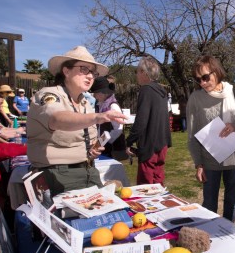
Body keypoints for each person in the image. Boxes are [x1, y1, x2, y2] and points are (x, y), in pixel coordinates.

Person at [27, 46, 126, 197]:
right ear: (66, 71)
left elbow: (83, 138)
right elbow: (57, 119)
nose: (90, 76)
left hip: (89, 172)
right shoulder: (49, 94)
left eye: (93, 72)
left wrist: (91, 150)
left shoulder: (85, 103)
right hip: (56, 175)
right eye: (84, 69)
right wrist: (98, 117)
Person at [187, 56, 235, 222]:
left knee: (232, 202)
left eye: (205, 77)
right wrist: (199, 164)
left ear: (216, 72)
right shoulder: (195, 98)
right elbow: (192, 134)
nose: (202, 83)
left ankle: (227, 234)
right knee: (209, 205)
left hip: (234, 159)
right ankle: (208, 236)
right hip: (209, 161)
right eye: (198, 79)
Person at [125, 56, 172, 185]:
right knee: (157, 181)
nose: (137, 75)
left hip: (150, 144)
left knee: (145, 186)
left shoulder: (146, 90)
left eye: (137, 71)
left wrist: (129, 141)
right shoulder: (161, 91)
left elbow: (141, 120)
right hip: (162, 142)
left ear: (144, 73)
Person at [91, 76, 128, 160]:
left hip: (112, 147)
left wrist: (106, 142)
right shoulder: (101, 104)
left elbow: (118, 129)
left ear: (102, 93)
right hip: (103, 144)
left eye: (95, 93)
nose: (94, 96)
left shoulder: (112, 106)